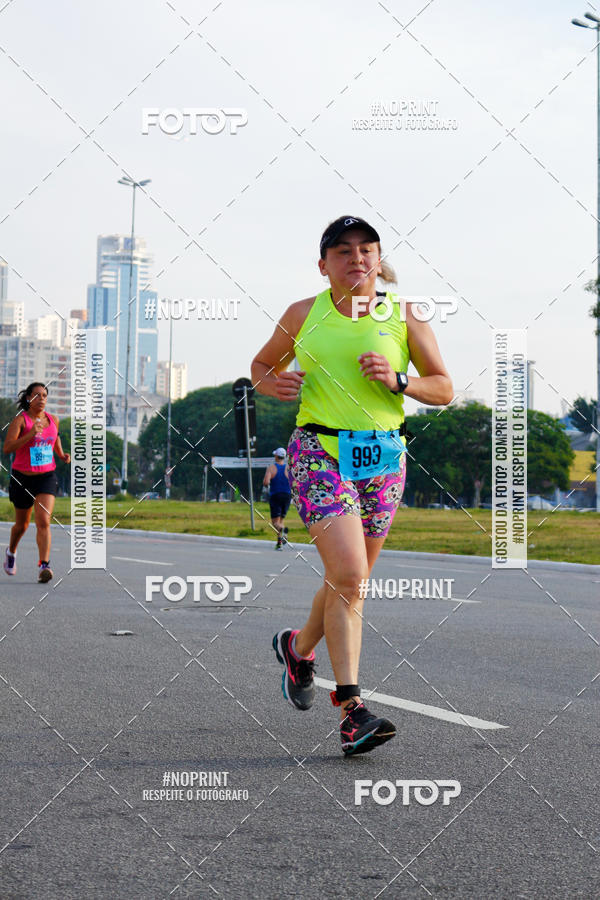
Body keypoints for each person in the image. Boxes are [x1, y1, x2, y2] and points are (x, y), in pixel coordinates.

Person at [251, 215, 453, 756]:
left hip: (385, 456)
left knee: (351, 580)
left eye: (366, 249)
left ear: (378, 259)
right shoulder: (304, 313)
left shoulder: (403, 316)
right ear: (324, 266)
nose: (356, 258)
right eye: (342, 251)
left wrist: (399, 380)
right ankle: (351, 709)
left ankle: (297, 648)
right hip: (319, 450)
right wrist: (274, 384)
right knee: (349, 573)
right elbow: (261, 366)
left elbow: (444, 387)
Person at [3, 382, 70, 583]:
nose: (41, 399)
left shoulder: (53, 420)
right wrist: (31, 434)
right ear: (28, 398)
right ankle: (11, 551)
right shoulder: (20, 421)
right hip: (22, 478)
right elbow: (8, 448)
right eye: (37, 395)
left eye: (44, 395)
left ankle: (44, 565)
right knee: (22, 525)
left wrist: (61, 454)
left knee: (43, 521)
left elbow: (54, 438)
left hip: (46, 477)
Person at [263, 447, 292, 550]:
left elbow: (266, 482)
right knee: (281, 520)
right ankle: (279, 544)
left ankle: (283, 530)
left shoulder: (271, 468)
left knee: (275, 523)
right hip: (287, 496)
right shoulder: (288, 468)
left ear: (276, 456)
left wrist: (268, 485)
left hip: (276, 495)